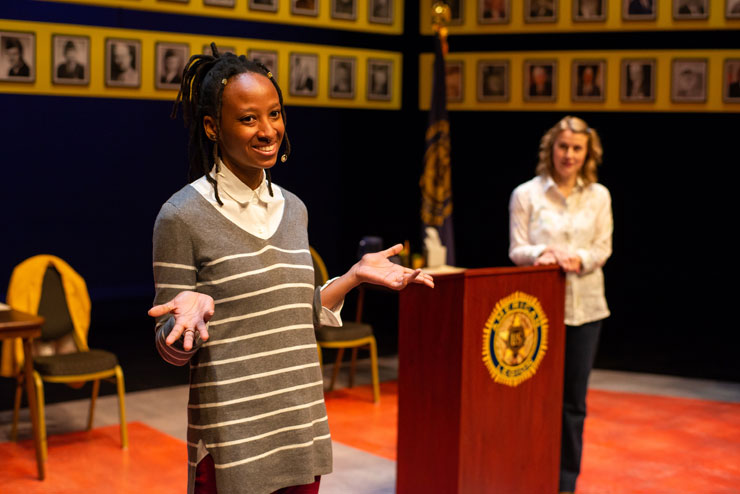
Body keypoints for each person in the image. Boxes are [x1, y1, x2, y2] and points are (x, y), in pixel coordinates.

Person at [149, 45, 434, 494]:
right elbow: (171, 347)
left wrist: (353, 276)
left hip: (300, 427)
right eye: (248, 119)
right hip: (233, 441)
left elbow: (293, 312)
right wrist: (187, 318)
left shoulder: (293, 208)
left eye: (275, 114)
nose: (268, 131)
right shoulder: (181, 216)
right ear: (212, 127)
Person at [509, 116, 612, 494]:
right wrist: (544, 252)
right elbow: (516, 250)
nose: (569, 155)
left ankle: (564, 484)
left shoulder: (599, 195)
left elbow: (603, 248)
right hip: (536, 315)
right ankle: (527, 474)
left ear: (587, 153)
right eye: (563, 146)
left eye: (577, 148)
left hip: (586, 310)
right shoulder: (526, 194)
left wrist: (578, 259)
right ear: (551, 149)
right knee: (532, 402)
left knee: (572, 405)